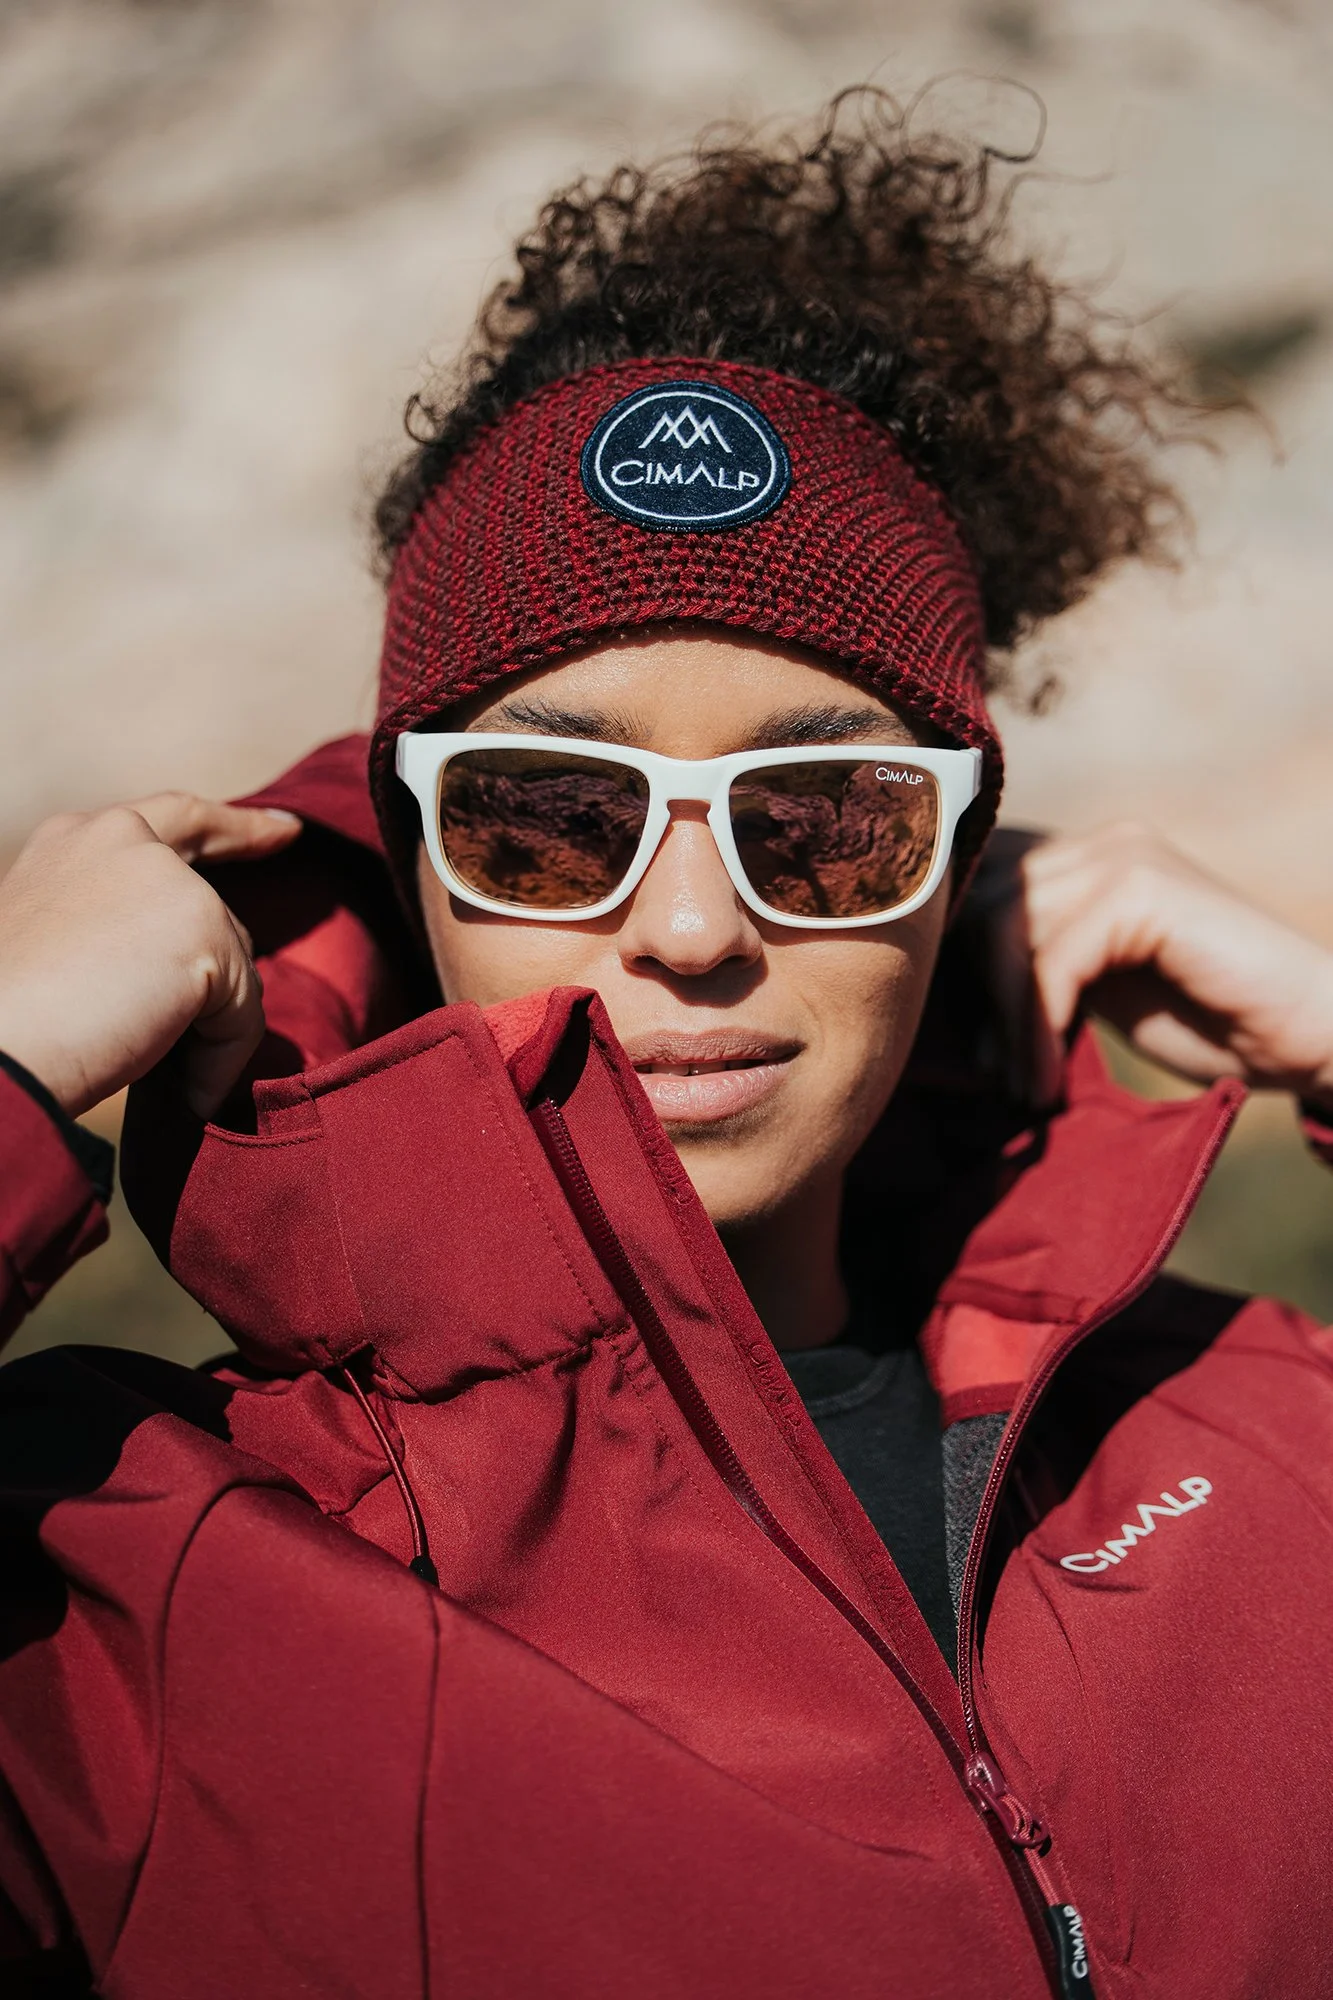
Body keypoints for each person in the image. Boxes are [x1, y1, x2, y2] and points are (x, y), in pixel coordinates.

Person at [1, 95, 1332, 2000]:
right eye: (544, 817)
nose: (695, 932)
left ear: (955, 860)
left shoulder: (1267, 1429)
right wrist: (14, 1058)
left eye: (826, 818)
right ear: (408, 855)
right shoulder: (120, 1571)